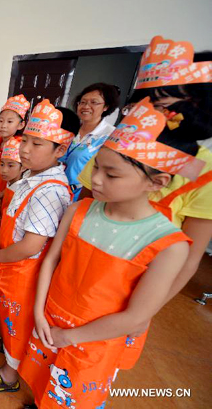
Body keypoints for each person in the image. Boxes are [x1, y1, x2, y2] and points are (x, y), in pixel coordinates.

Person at [19, 98, 193, 408]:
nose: (95, 178)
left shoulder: (169, 245)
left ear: (157, 182)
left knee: (71, 397)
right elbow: (51, 260)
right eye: (96, 165)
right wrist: (39, 312)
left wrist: (69, 337)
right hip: (49, 319)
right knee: (41, 382)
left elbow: (136, 317)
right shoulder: (79, 210)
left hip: (93, 341)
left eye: (111, 175)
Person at [75, 36, 212, 370]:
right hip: (83, 267)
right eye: (150, 101)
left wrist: (143, 315)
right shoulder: (119, 145)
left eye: (165, 105)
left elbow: (189, 259)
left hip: (131, 293)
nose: (153, 112)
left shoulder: (204, 174)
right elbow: (86, 203)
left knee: (95, 363)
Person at [0, 100, 77, 392]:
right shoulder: (32, 176)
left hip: (23, 272)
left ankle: (9, 375)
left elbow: (31, 245)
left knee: (19, 324)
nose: (25, 149)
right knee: (8, 318)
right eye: (25, 140)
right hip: (11, 267)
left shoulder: (51, 191)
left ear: (60, 150)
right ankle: (7, 352)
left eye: (37, 143)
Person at [59, 83, 119, 200]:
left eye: (94, 102)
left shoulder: (110, 136)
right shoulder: (69, 128)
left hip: (82, 196)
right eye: (82, 102)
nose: (86, 106)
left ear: (106, 106)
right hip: (55, 191)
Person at [0, 94, 30, 200]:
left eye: (10, 121)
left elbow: (23, 178)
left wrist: (2, 194)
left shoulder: (19, 145)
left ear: (20, 125)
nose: (4, 125)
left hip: (11, 196)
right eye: (1, 121)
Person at [0, 137, 23, 219]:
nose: (4, 170)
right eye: (2, 164)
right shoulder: (10, 182)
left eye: (10, 165)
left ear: (23, 167)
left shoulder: (20, 192)